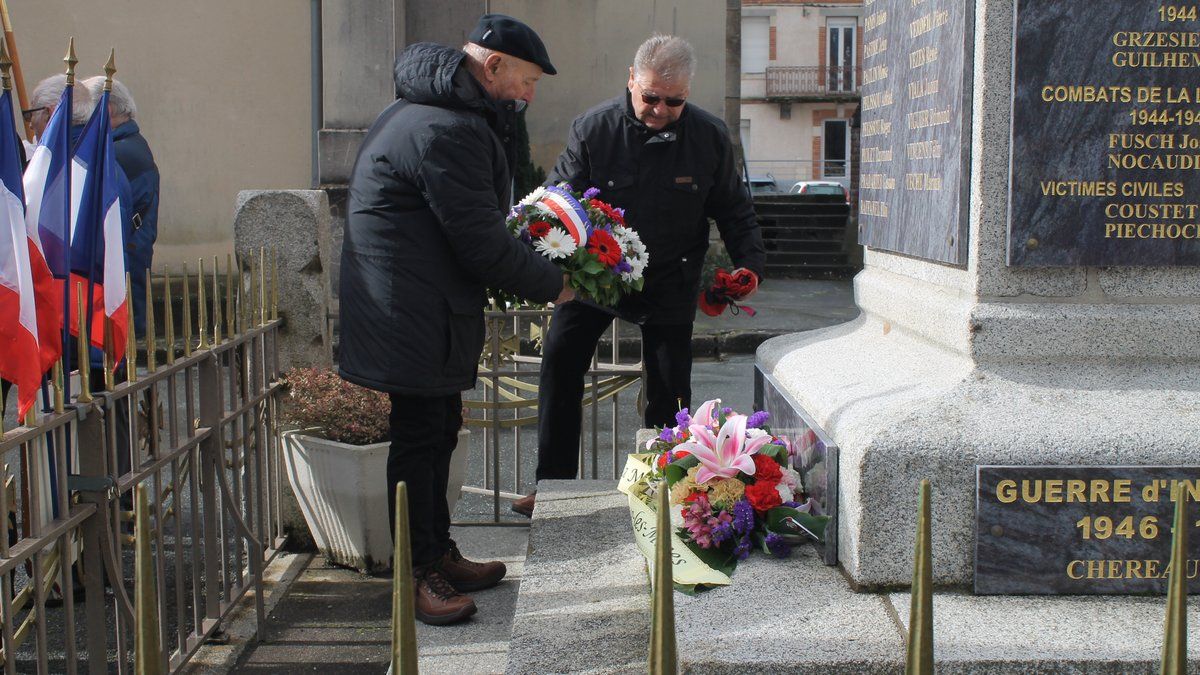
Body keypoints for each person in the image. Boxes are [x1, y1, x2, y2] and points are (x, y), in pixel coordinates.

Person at [338, 15, 573, 626]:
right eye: (526, 80)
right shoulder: (447, 129)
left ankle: (438, 550)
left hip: (418, 304)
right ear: (491, 66)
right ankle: (417, 576)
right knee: (419, 442)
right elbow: (479, 241)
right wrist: (556, 283)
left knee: (439, 429)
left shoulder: (430, 111)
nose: (529, 95)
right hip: (412, 310)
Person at [514, 35, 765, 517]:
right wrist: (545, 253)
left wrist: (749, 264)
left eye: (675, 101)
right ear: (631, 81)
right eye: (650, 97)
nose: (660, 109)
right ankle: (553, 485)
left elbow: (735, 210)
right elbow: (557, 197)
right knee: (561, 362)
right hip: (597, 274)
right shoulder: (594, 129)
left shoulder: (709, 137)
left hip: (671, 275)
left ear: (687, 94)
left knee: (670, 389)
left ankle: (662, 486)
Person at [83, 76, 158, 338]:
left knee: (123, 340)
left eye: (85, 112)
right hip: (127, 258)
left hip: (124, 262)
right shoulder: (126, 145)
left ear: (108, 110)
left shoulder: (120, 152)